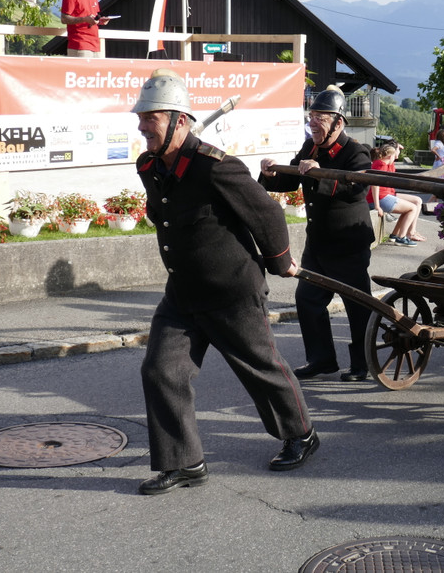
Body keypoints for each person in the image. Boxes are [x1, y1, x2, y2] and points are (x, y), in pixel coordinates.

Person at [132, 69, 318, 495]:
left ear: (179, 120)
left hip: (233, 290)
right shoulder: (150, 165)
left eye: (151, 118)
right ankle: (185, 463)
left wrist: (280, 260)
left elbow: (267, 214)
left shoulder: (216, 167)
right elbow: (163, 209)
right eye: (141, 118)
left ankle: (301, 434)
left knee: (260, 369)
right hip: (183, 293)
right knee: (161, 370)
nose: (142, 126)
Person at [260, 85, 375, 382]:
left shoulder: (356, 151)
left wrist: (320, 172)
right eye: (311, 116)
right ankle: (322, 360)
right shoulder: (309, 148)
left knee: (357, 305)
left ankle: (362, 363)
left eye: (320, 118)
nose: (313, 123)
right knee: (308, 300)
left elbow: (356, 189)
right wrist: (271, 172)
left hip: (349, 243)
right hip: (319, 243)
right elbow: (289, 183)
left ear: (338, 122)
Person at [367, 143, 425, 245]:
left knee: (416, 202)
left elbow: (394, 156)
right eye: (394, 156)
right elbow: (374, 185)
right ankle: (401, 237)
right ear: (390, 156)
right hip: (381, 198)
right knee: (412, 208)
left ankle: (395, 235)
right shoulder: (381, 166)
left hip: (387, 194)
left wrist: (397, 149)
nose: (396, 158)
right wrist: (377, 206)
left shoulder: (386, 163)